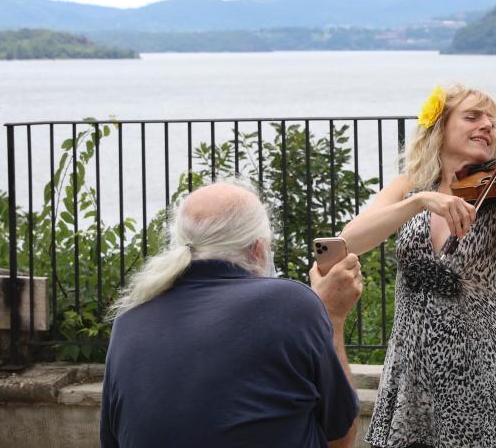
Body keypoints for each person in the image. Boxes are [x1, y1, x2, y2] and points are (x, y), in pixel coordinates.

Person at [341, 84, 496, 448]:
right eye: (472, 116)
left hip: (482, 371)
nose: (487, 125)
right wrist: (420, 201)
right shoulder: (410, 187)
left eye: (491, 120)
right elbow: (350, 241)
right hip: (411, 373)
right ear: (440, 128)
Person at [100, 180, 362, 447]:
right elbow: (340, 437)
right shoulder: (291, 304)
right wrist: (331, 315)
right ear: (258, 249)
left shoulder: (129, 319)